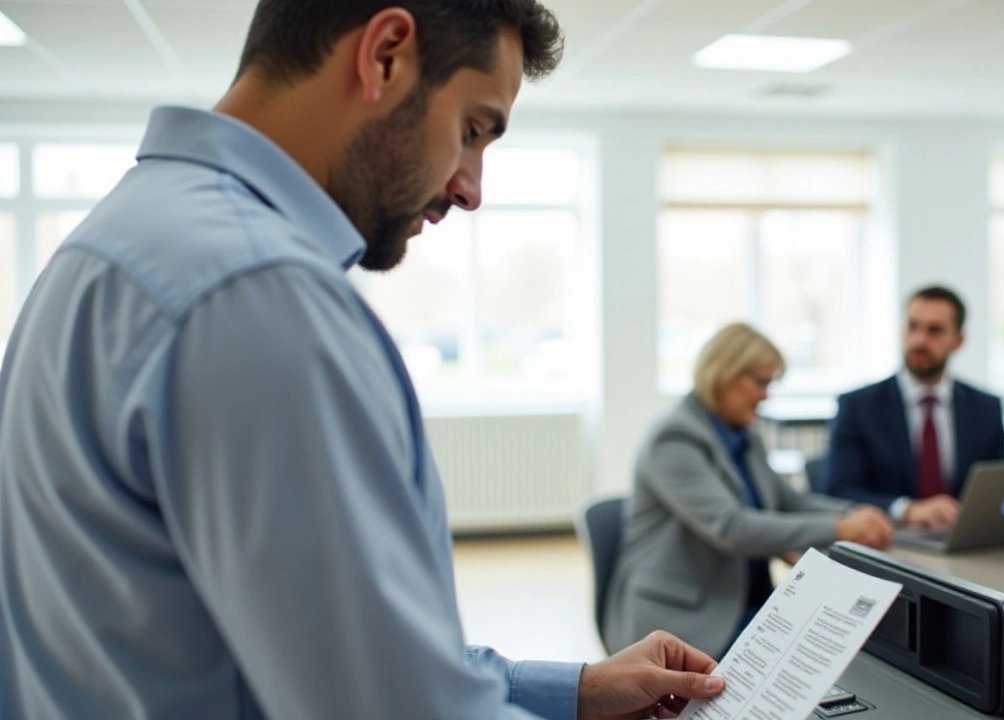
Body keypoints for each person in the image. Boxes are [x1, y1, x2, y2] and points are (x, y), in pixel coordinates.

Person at [0, 2, 725, 718]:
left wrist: (570, 691)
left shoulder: (118, 242)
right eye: (472, 130)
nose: (470, 187)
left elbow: (301, 642)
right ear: (385, 55)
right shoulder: (258, 295)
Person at [602, 323, 895, 658]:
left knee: (841, 636)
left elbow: (790, 502)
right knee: (823, 651)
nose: (765, 395)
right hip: (686, 615)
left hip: (741, 599)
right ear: (723, 374)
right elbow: (731, 528)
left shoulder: (743, 434)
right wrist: (840, 528)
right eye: (760, 382)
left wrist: (854, 514)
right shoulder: (675, 438)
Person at [815, 285, 1004, 529]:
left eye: (935, 331)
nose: (920, 340)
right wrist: (907, 509)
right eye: (913, 327)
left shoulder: (985, 408)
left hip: (962, 541)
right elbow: (837, 491)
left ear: (958, 340)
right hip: (888, 540)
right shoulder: (858, 407)